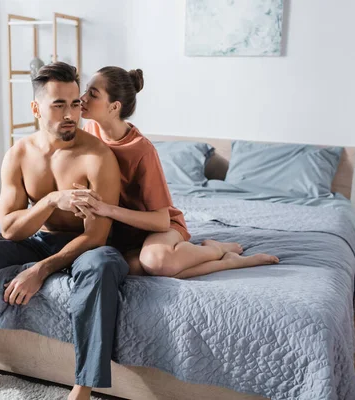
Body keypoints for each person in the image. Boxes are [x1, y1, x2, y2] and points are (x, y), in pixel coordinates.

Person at [0, 62, 128, 400]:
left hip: (87, 247)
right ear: (36, 108)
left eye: (75, 103)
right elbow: (9, 230)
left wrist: (40, 270)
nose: (70, 114)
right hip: (40, 238)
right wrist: (51, 200)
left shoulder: (98, 156)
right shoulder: (19, 154)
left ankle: (82, 387)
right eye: (58, 104)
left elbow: (96, 237)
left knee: (104, 265)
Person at [73, 66, 279, 279]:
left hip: (158, 229)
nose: (82, 98)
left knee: (156, 262)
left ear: (114, 106)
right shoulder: (89, 133)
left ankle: (215, 250)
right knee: (130, 270)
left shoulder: (142, 150)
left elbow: (161, 221)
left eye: (92, 94)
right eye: (86, 91)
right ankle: (227, 262)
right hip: (124, 232)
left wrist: (107, 210)